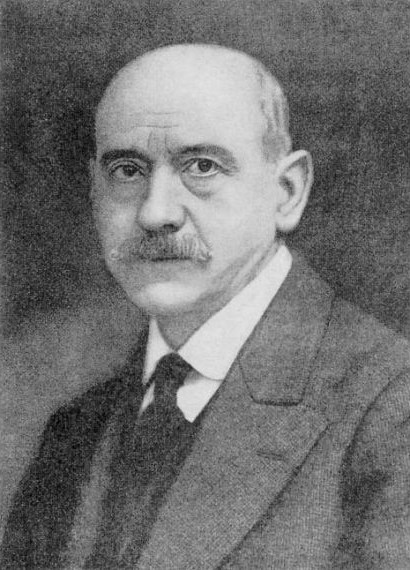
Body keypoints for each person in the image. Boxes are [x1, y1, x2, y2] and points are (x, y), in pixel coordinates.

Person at [2, 43, 410, 569]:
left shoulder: (390, 410)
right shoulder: (74, 431)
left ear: (287, 192)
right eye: (127, 171)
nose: (155, 213)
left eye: (202, 166)